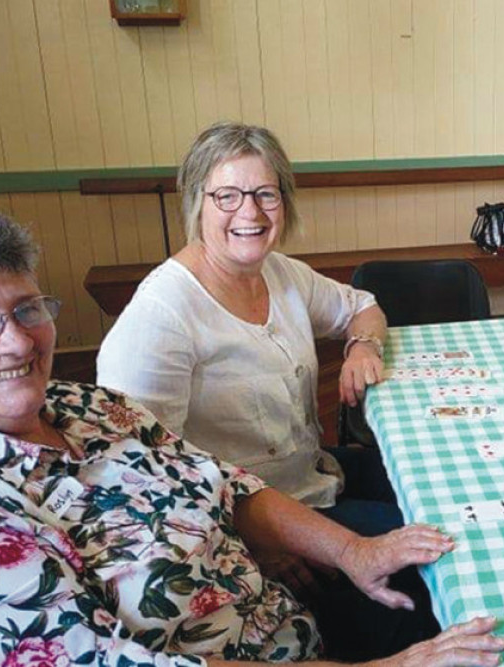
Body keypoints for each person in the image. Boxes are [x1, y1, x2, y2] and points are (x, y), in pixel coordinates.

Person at [0, 205, 504, 666]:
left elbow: (223, 483)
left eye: (28, 309)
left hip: (293, 617)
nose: (18, 343)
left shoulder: (88, 406)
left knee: (479, 578)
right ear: (198, 207)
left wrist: (353, 551)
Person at [97, 122, 396, 539]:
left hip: (314, 480)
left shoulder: (281, 272)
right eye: (227, 196)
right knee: (434, 537)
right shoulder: (160, 315)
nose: (250, 212)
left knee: (437, 484)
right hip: (249, 532)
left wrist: (363, 347)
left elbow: (363, 307)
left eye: (265, 194)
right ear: (197, 204)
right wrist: (255, 544)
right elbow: (138, 474)